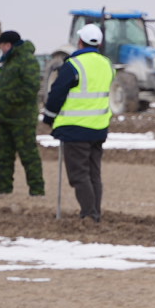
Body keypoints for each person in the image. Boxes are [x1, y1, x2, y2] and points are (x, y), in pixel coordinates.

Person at [42, 22, 113, 222]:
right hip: (99, 128)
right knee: (93, 174)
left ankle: (90, 215)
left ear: (80, 42)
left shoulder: (73, 65)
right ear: (99, 44)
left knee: (79, 175)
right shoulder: (107, 64)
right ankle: (94, 213)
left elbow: (56, 94)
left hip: (75, 129)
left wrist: (49, 116)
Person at [0, 30, 45, 197]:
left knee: (28, 156)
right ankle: (4, 191)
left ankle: (37, 192)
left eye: (2, 45)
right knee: (4, 157)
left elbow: (31, 88)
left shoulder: (27, 60)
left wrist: (7, 98)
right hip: (6, 118)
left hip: (22, 119)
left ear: (9, 45)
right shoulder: (8, 61)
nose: (1, 49)